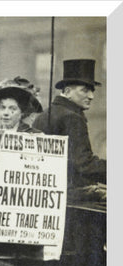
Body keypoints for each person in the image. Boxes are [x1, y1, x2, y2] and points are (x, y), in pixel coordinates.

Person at [33, 59, 106, 193]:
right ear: (67, 92)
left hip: (46, 191)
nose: (91, 96)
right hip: (71, 194)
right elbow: (84, 165)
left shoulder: (44, 115)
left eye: (92, 91)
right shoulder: (72, 118)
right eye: (85, 90)